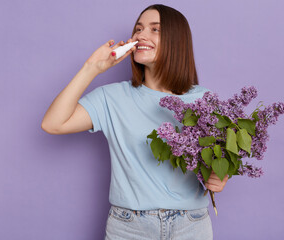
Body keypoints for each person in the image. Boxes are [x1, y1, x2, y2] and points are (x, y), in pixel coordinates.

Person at [41, 4, 228, 240]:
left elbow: (219, 158)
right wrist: (91, 68)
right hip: (129, 227)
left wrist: (221, 176)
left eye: (154, 29)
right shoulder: (112, 98)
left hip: (191, 226)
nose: (140, 35)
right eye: (138, 29)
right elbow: (52, 124)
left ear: (177, 40)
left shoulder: (203, 99)